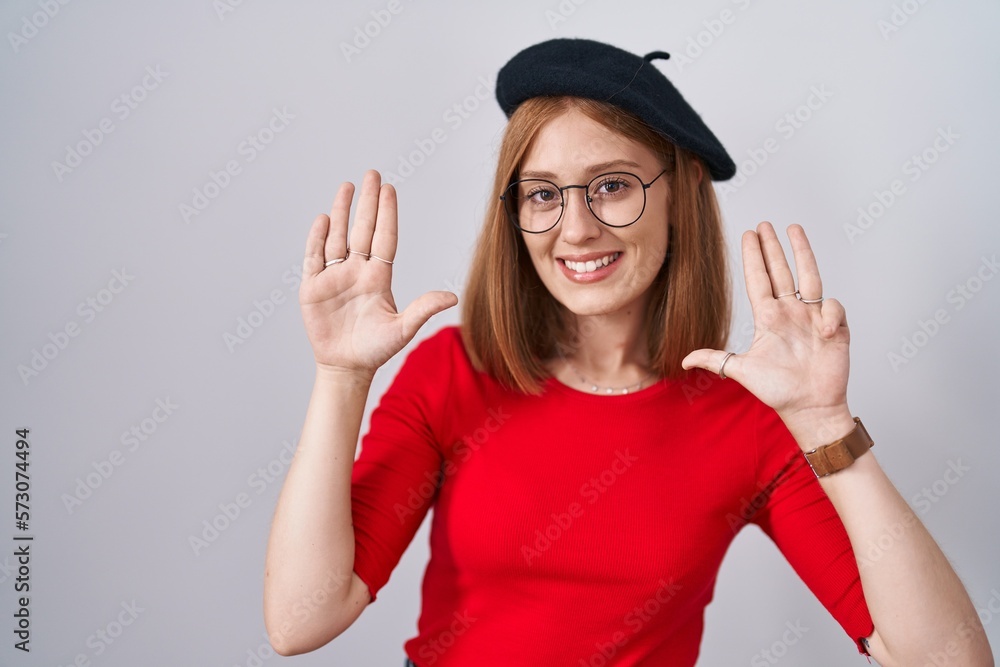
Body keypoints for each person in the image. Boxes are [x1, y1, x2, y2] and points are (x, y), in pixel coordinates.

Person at [263, 38, 993, 666]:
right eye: (542, 194)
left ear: (680, 195)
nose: (575, 228)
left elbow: (947, 658)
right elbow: (302, 620)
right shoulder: (453, 371)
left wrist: (828, 424)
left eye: (612, 186)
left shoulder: (753, 415)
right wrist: (340, 374)